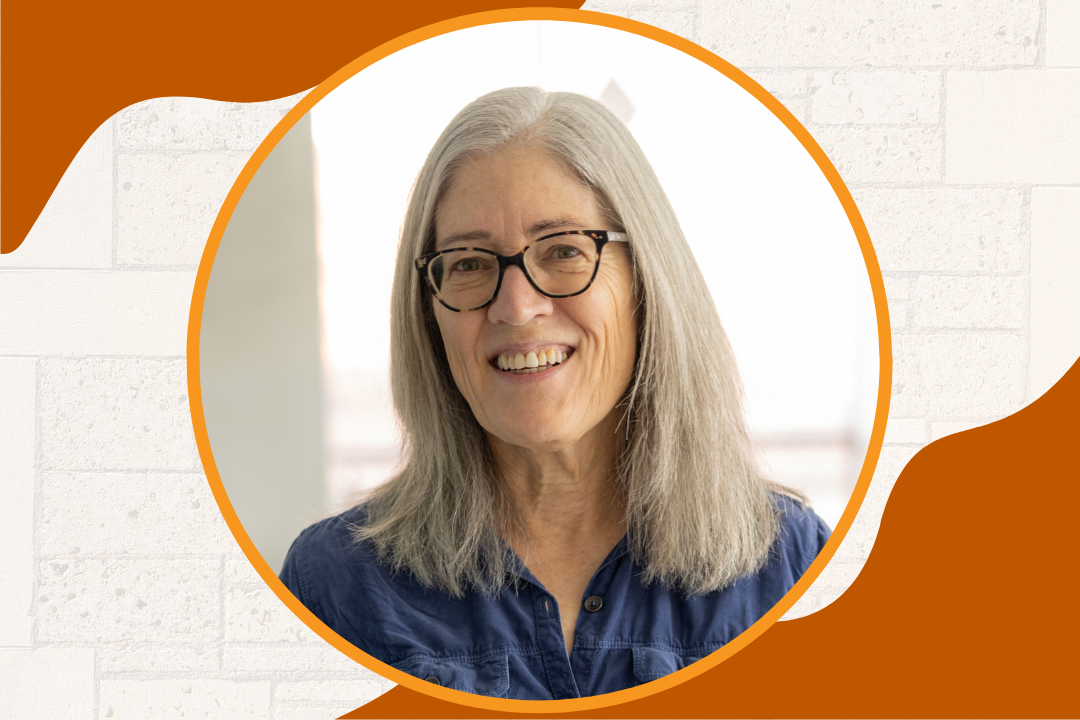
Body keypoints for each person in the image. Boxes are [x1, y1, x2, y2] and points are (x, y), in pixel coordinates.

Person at [280, 86, 831, 700]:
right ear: (428, 310)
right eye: (468, 263)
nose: (516, 307)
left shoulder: (790, 565)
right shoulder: (332, 585)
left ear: (645, 281)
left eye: (565, 250)